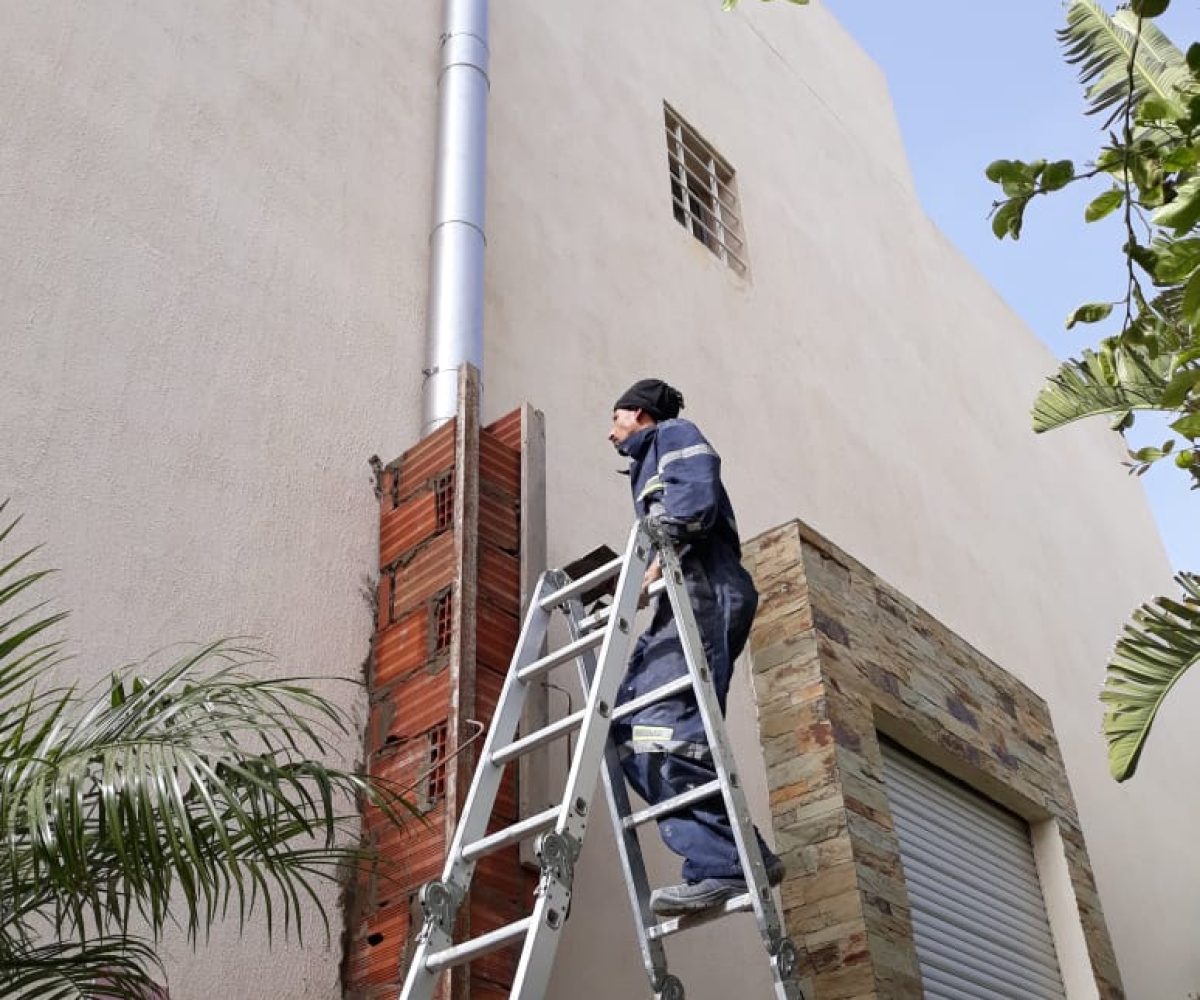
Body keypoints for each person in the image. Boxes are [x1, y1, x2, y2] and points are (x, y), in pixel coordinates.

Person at [607, 377, 784, 916]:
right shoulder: (646, 459)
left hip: (706, 592)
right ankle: (742, 853)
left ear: (639, 414)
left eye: (614, 418)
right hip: (683, 596)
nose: (608, 431)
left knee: (666, 730)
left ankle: (721, 867)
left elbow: (693, 501)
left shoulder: (674, 435)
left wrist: (648, 569)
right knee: (628, 734)